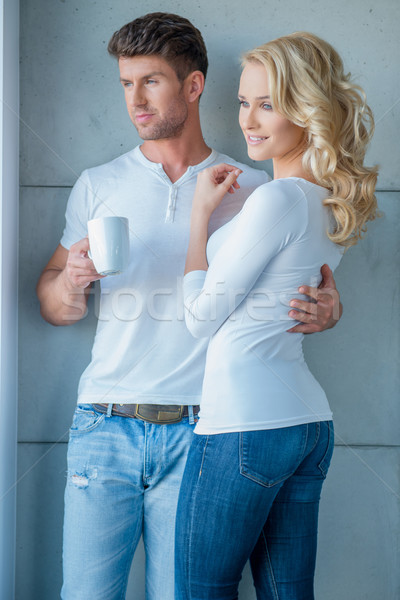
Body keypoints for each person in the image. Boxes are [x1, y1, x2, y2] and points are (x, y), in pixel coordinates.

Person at [36, 14, 342, 600]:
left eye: (150, 81)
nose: (136, 101)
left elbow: (300, 289)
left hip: (205, 430)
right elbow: (53, 304)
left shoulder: (254, 187)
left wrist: (329, 310)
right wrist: (71, 283)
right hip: (104, 423)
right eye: (126, 84)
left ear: (194, 86)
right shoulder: (98, 184)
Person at [175, 32, 378, 599]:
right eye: (244, 101)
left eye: (268, 103)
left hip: (245, 423)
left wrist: (198, 220)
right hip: (306, 423)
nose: (248, 119)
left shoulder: (277, 200)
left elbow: (199, 317)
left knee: (199, 589)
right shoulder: (325, 201)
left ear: (308, 109)